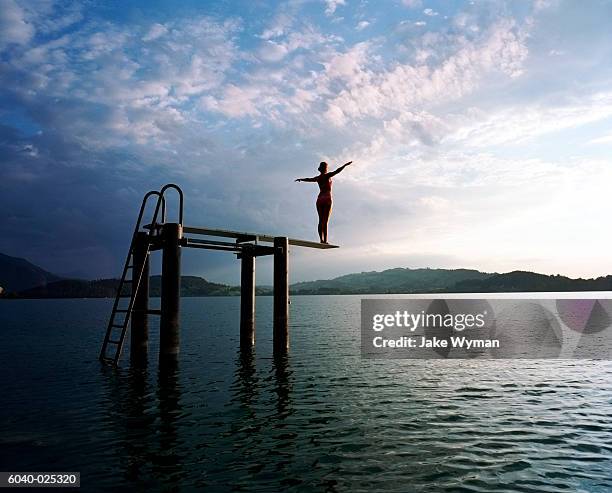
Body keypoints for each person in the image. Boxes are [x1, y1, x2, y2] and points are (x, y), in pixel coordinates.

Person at [295, 161, 352, 243]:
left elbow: (309, 179)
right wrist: (345, 165)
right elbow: (337, 170)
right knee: (325, 221)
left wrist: (301, 179)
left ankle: (321, 240)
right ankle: (325, 240)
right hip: (327, 199)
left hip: (319, 199)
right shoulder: (327, 175)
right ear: (325, 168)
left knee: (320, 220)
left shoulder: (318, 178)